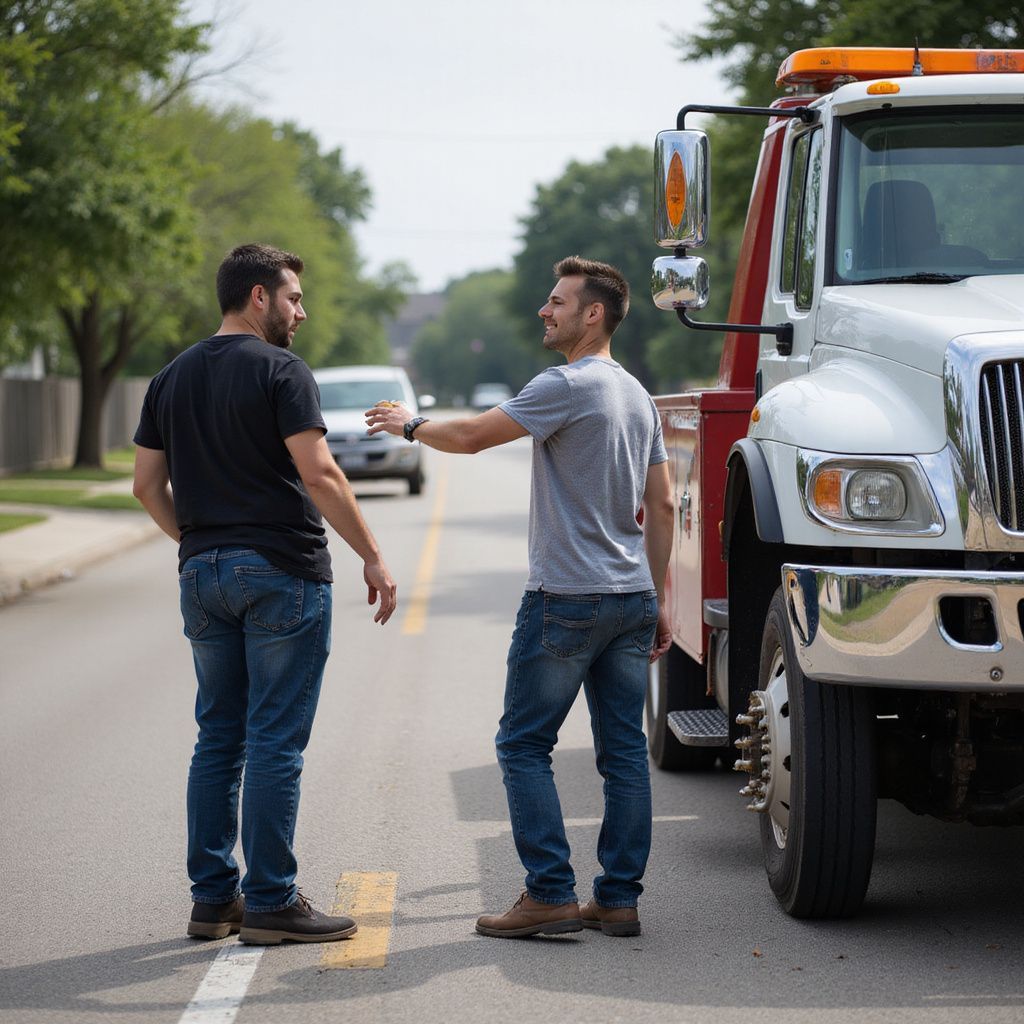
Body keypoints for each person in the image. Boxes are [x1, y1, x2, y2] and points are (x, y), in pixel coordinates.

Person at [366, 255, 674, 938]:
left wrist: (410, 426)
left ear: (593, 314)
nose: (545, 310)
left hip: (566, 597)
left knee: (522, 744)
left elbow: (474, 437)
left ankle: (549, 892)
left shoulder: (567, 384)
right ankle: (618, 899)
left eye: (558, 301)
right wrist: (661, 599)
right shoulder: (636, 394)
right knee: (623, 753)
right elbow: (665, 502)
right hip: (629, 597)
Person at [133, 243, 397, 946]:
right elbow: (321, 474)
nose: (301, 313)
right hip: (281, 569)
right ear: (258, 297)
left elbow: (144, 487)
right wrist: (372, 555)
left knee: (218, 737)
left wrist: (195, 544)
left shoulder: (169, 377)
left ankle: (213, 900)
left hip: (203, 573)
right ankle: (273, 899)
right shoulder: (282, 370)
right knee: (275, 739)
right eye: (293, 299)